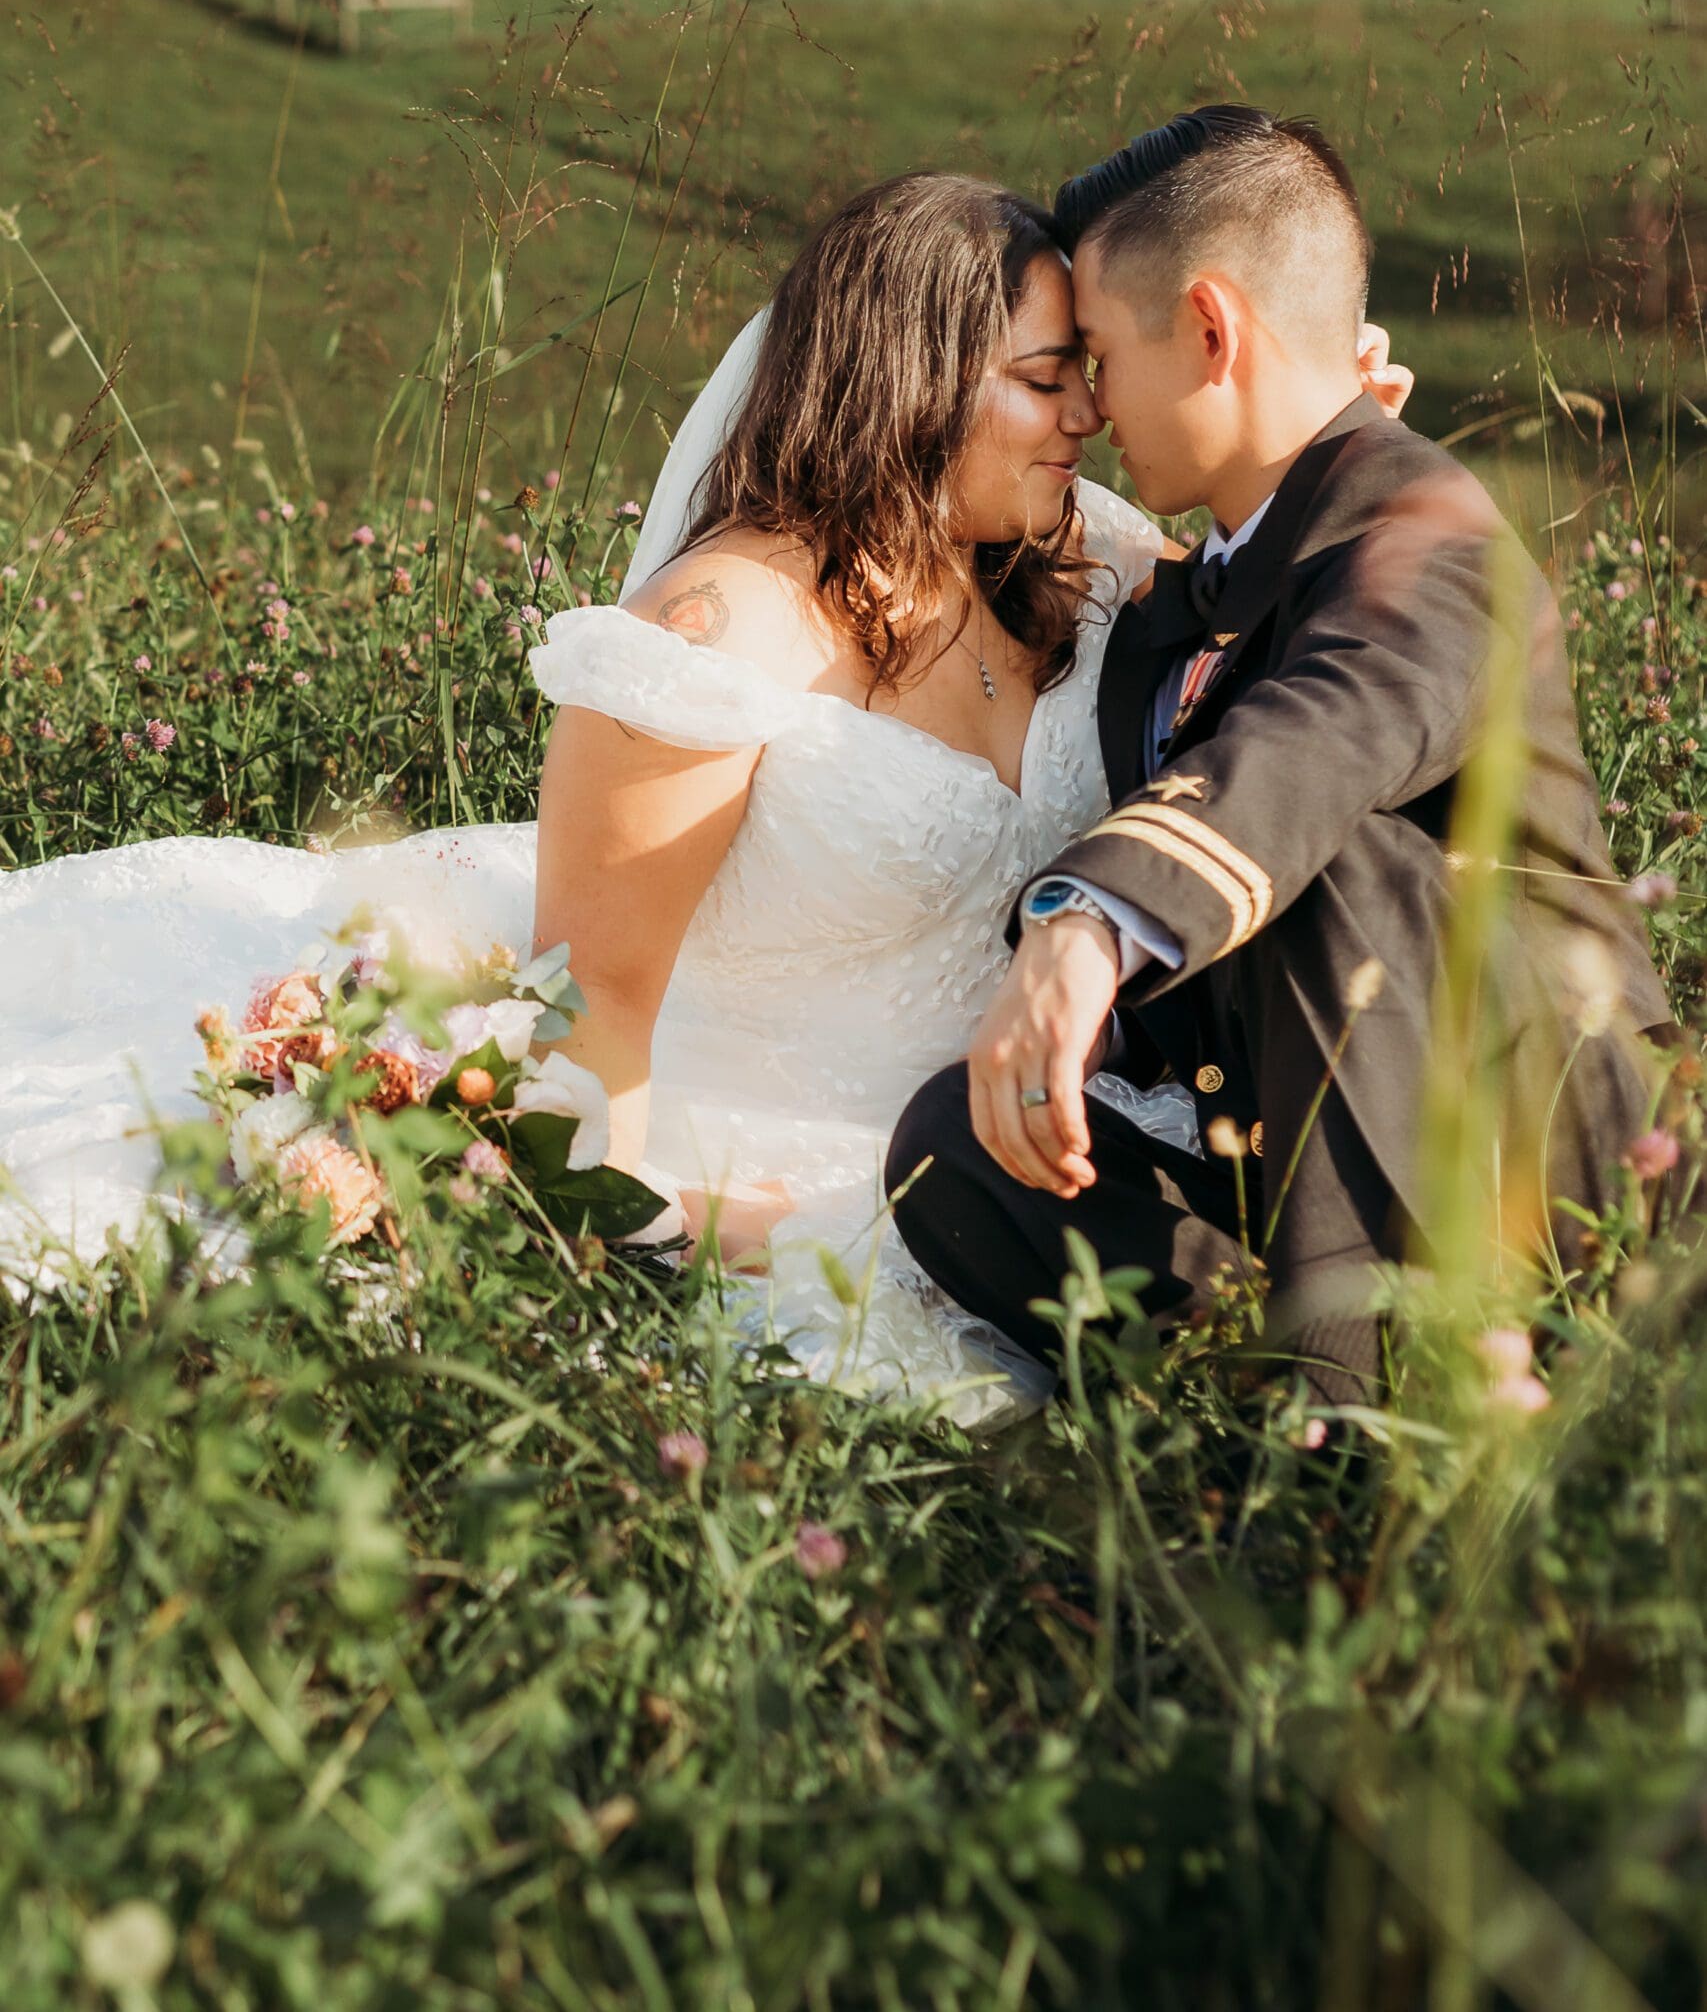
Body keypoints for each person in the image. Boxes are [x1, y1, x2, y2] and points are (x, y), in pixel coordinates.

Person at [0, 159, 1407, 1417]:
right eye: (1047, 378)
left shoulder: (1080, 559)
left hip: (1024, 1122)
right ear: (911, 384)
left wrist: (1332, 446)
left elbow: (1286, 666)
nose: (1088, 414)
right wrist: (666, 1216)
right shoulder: (720, 636)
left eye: (1085, 373)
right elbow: (599, 1003)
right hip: (748, 1111)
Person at [884, 107, 1673, 1409]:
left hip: (1536, 1158)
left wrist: (1086, 926)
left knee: (1335, 851)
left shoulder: (1434, 539)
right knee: (947, 1152)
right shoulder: (1177, 600)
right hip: (1301, 1169)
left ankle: (1363, 1415)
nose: (1086, 404)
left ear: (1209, 330)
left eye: (1100, 356)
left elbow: (1323, 735)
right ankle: (1308, 1404)